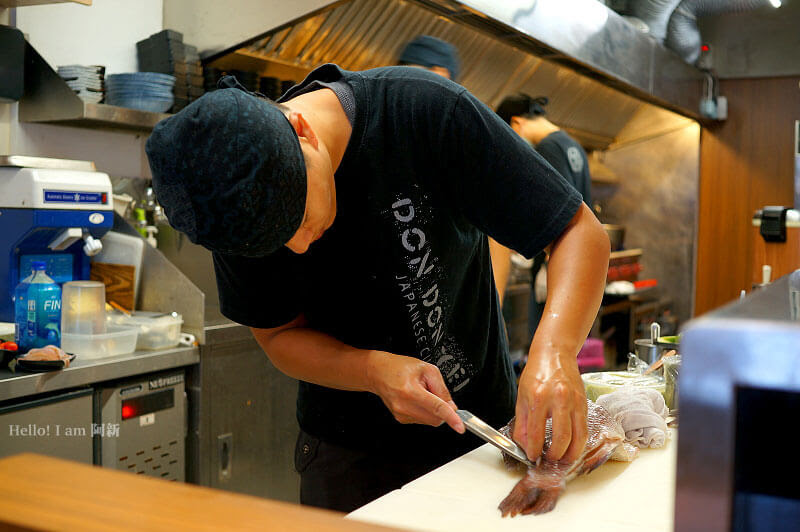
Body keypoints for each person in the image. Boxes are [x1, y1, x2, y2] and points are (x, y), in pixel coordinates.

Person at [145, 64, 609, 512]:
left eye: (302, 220)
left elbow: (577, 231)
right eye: (279, 244)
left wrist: (553, 353)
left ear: (303, 131)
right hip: (348, 457)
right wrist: (371, 370)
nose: (301, 247)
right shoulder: (226, 194)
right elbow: (278, 336)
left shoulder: (423, 112)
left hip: (483, 436)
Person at [493, 94, 594, 336]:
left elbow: (557, 213)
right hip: (577, 263)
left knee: (546, 341)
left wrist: (548, 267)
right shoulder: (573, 146)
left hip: (558, 267)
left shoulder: (548, 149)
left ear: (516, 124)